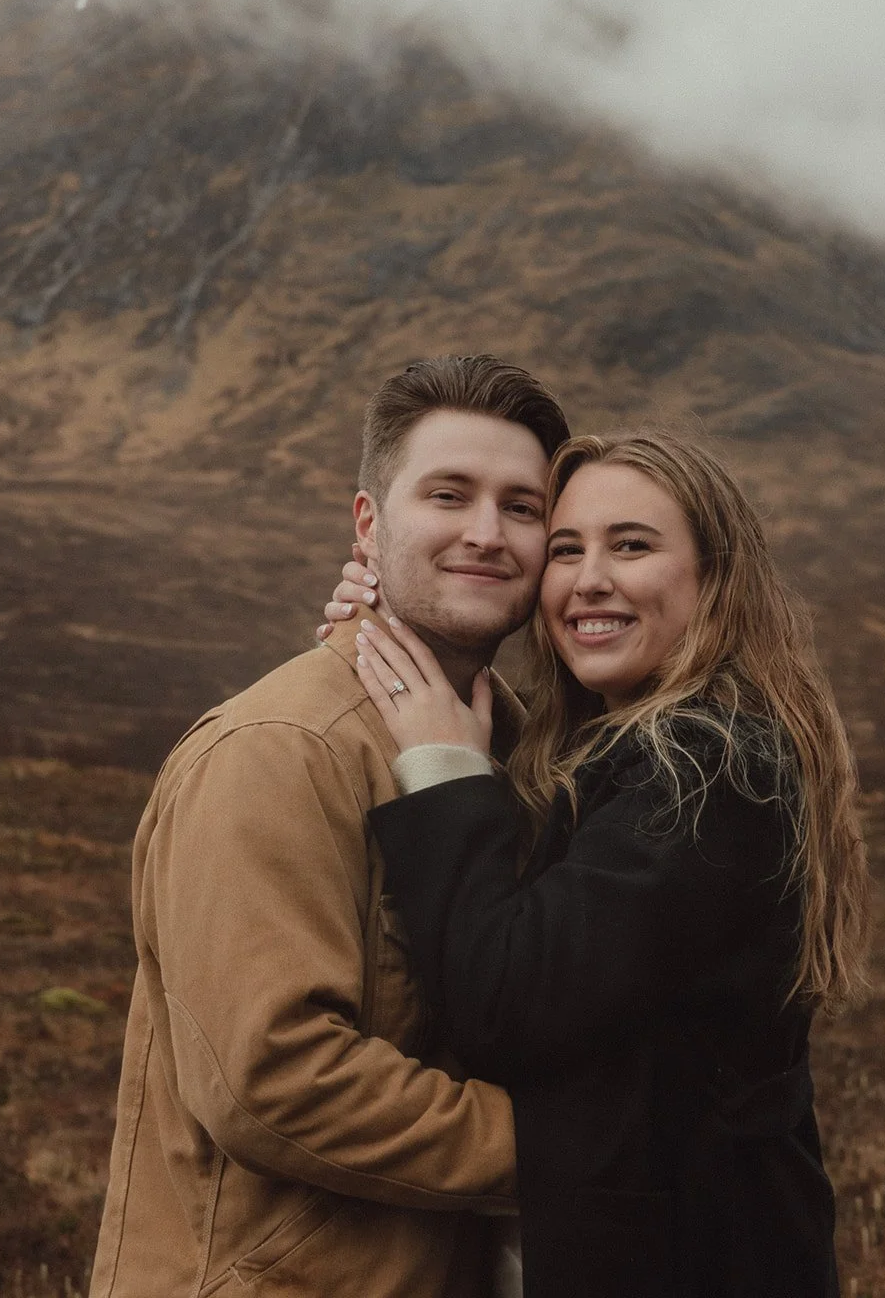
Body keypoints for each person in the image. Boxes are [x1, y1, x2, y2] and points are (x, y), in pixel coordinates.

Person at [326, 429, 869, 1298]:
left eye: (632, 546)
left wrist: (443, 767)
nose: (588, 580)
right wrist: (394, 632)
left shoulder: (709, 769)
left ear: (715, 578)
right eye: (566, 549)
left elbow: (508, 1003)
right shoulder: (619, 746)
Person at [89, 355, 570, 1298]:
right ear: (368, 524)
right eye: (448, 494)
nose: (486, 533)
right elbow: (274, 1077)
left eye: (521, 507)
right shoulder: (279, 750)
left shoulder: (520, 753)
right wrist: (576, 1146)